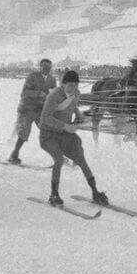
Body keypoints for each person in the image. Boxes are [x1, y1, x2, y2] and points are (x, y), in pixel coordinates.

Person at [38, 69, 108, 207]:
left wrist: (78, 115)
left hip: (65, 135)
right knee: (58, 159)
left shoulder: (76, 94)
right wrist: (65, 126)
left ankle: (95, 192)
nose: (73, 88)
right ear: (63, 84)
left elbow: (73, 105)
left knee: (81, 159)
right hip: (48, 135)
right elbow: (44, 118)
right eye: (70, 85)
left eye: (76, 85)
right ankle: (54, 194)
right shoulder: (53, 96)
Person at [8, 58, 56, 164]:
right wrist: (39, 93)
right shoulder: (32, 77)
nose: (46, 69)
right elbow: (25, 92)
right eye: (44, 67)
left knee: (48, 132)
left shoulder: (52, 80)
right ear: (40, 67)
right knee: (23, 133)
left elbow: (54, 95)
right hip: (27, 109)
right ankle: (14, 155)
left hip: (40, 111)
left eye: (48, 67)